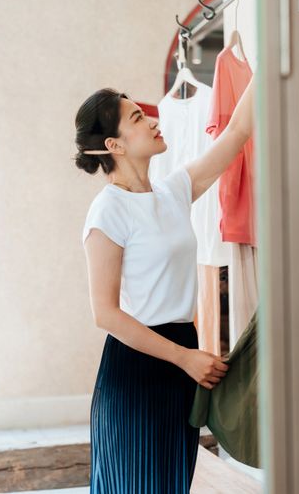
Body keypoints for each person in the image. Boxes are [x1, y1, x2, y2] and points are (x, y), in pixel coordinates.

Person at [74, 76, 255, 493]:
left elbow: (238, 131)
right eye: (137, 118)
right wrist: (184, 358)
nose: (153, 121)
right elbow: (105, 313)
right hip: (137, 368)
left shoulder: (172, 190)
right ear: (114, 146)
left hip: (179, 360)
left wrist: (273, 53)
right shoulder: (107, 211)